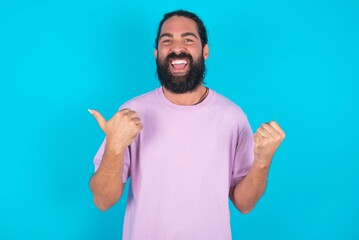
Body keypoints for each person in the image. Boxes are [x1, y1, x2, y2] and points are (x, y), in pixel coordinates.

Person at [89, 10, 285, 240]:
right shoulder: (131, 114)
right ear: (156, 53)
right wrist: (114, 145)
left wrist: (262, 162)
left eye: (188, 39)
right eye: (167, 40)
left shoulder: (232, 117)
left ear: (205, 51)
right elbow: (103, 201)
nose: (177, 47)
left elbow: (244, 204)